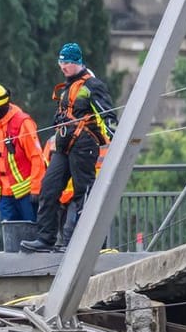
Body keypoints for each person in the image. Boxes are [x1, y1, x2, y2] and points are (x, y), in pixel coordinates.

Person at [23, 43, 116, 253]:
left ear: (78, 63)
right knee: (49, 187)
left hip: (84, 145)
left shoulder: (92, 86)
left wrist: (115, 137)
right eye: (61, 62)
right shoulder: (66, 88)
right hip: (64, 146)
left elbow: (109, 115)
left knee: (83, 193)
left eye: (67, 62)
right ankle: (45, 238)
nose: (63, 66)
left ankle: (88, 241)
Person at [0, 83, 45, 241]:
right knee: (11, 237)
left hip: (27, 193)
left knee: (32, 236)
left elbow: (37, 157)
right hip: (5, 194)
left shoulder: (22, 123)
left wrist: (36, 188)